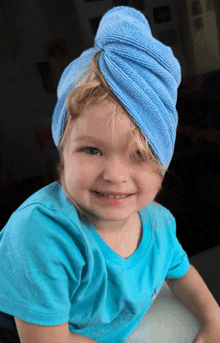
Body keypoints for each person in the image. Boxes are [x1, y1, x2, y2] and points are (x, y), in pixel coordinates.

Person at [0, 6, 219, 343]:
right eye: (91, 150)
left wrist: (212, 318)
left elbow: (182, 273)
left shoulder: (159, 222)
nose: (115, 175)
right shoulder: (39, 234)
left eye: (140, 155)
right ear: (62, 157)